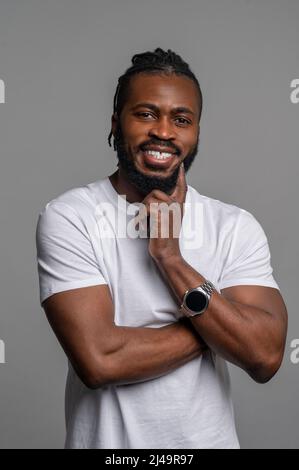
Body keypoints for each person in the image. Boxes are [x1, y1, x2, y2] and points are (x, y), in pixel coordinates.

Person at [36, 48, 288, 449]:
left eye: (181, 119)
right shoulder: (71, 216)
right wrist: (219, 328)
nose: (164, 132)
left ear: (197, 132)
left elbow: (265, 356)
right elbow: (100, 360)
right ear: (116, 124)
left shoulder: (234, 226)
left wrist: (169, 257)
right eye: (146, 114)